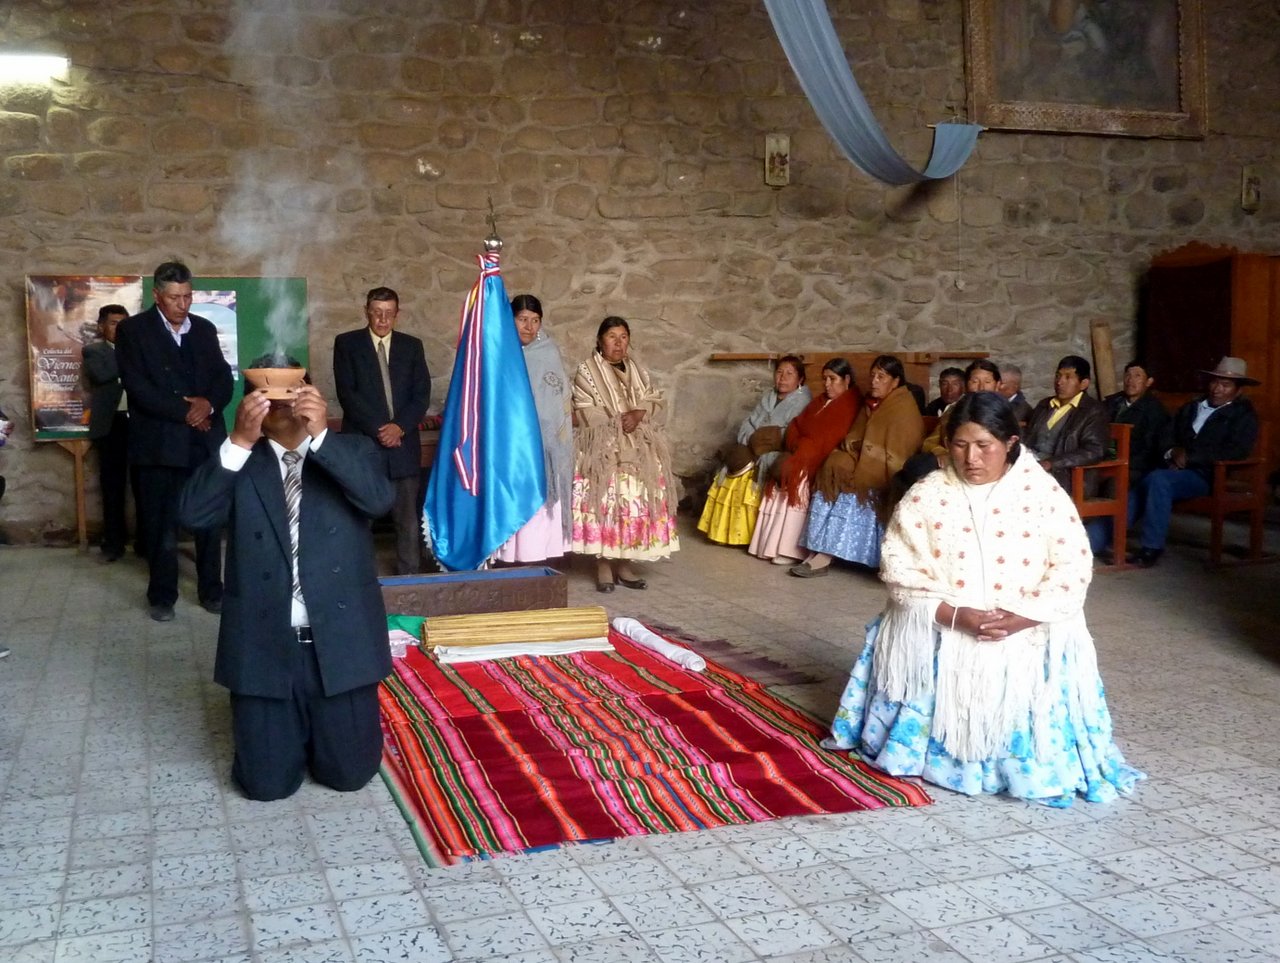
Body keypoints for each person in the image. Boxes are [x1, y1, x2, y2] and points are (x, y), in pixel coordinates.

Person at [826, 391, 1144, 806]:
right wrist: (955, 615)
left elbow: (1073, 566)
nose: (971, 458)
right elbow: (899, 567)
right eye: (960, 445)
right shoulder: (929, 493)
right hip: (945, 621)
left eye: (984, 446)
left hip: (1023, 624)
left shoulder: (1041, 493)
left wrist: (1021, 617)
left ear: (1011, 443)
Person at [178, 365, 394, 801]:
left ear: (310, 393)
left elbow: (378, 500)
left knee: (349, 775)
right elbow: (192, 516)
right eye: (264, 390)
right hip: (263, 643)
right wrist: (239, 440)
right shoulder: (238, 459)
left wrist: (322, 437)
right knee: (266, 785)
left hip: (341, 643)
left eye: (291, 389)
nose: (278, 400)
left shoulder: (352, 450)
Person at [115, 261, 233, 622]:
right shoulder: (134, 331)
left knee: (210, 522)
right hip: (160, 445)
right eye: (174, 298)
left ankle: (213, 591)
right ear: (157, 295)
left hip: (204, 443)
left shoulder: (205, 329)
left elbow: (222, 379)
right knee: (160, 524)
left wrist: (208, 404)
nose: (182, 304)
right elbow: (138, 387)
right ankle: (162, 596)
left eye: (187, 296)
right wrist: (186, 412)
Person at [571, 316, 680, 592]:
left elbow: (655, 398)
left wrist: (640, 413)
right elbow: (581, 406)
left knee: (634, 506)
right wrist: (615, 422)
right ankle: (604, 565)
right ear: (599, 341)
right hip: (603, 450)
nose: (618, 343)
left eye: (623, 337)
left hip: (638, 449)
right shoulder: (587, 371)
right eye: (611, 337)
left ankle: (625, 563)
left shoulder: (638, 370)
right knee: (607, 505)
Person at [792, 356, 925, 576]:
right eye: (872, 375)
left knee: (851, 494)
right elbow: (854, 436)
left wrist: (865, 459)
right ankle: (816, 550)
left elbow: (900, 449)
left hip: (884, 474)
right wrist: (855, 454)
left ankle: (824, 557)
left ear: (896, 381)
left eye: (881, 377)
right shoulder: (870, 404)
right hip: (862, 464)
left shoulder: (903, 408)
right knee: (831, 476)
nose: (874, 381)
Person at [333, 287, 431, 575]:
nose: (382, 319)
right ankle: (358, 576)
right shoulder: (347, 344)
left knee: (407, 518)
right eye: (377, 312)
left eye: (389, 313)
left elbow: (421, 394)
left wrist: (399, 427)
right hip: (364, 444)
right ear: (367, 311)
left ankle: (409, 577)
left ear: (397, 314)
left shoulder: (412, 346)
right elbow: (347, 394)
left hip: (403, 444)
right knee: (361, 515)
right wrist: (380, 429)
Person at [1129, 356, 1260, 567]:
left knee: (1157, 480)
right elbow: (1165, 434)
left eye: (1225, 385)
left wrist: (1190, 458)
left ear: (1238, 390)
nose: (1217, 389)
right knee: (1144, 483)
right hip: (1171, 470)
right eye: (1214, 382)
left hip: (1206, 475)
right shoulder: (1192, 407)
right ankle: (1094, 539)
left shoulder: (1243, 415)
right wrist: (1173, 452)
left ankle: (1151, 547)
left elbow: (1237, 450)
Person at [748, 358, 861, 565]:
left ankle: (790, 549)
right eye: (825, 378)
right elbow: (796, 425)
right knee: (782, 468)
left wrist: (804, 445)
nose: (827, 384)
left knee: (795, 475)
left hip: (817, 457)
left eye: (832, 379)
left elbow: (828, 436)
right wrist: (798, 443)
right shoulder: (820, 401)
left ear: (846, 380)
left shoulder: (849, 404)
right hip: (801, 451)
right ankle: (767, 544)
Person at [698, 355, 811, 546]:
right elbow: (749, 422)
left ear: (800, 379)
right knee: (736, 461)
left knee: (750, 471)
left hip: (775, 450)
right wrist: (751, 438)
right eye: (779, 372)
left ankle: (743, 535)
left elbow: (793, 434)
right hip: (754, 446)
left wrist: (765, 440)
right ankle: (723, 532)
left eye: (789, 374)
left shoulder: (803, 403)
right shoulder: (769, 396)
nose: (782, 378)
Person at [494, 294, 573, 563]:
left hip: (543, 445)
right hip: (508, 444)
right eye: (522, 319)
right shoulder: (498, 351)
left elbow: (558, 397)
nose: (529, 327)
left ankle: (535, 556)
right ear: (510, 320)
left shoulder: (548, 351)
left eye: (535, 320)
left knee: (539, 507)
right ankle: (506, 557)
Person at [81, 304, 133, 562]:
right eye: (113, 323)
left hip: (138, 425)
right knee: (112, 488)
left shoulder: (138, 350)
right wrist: (130, 364)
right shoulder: (93, 351)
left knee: (145, 486)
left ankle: (146, 543)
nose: (119, 328)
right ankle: (114, 544)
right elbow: (103, 375)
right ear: (102, 326)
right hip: (111, 426)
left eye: (124, 323)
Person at [1022, 354, 1109, 492]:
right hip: (1034, 465)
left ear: (1084, 384)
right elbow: (1028, 437)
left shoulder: (1093, 411)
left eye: (1068, 377)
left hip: (1067, 474)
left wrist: (1051, 463)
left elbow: (1094, 450)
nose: (1060, 382)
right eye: (1058, 376)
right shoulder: (1044, 404)